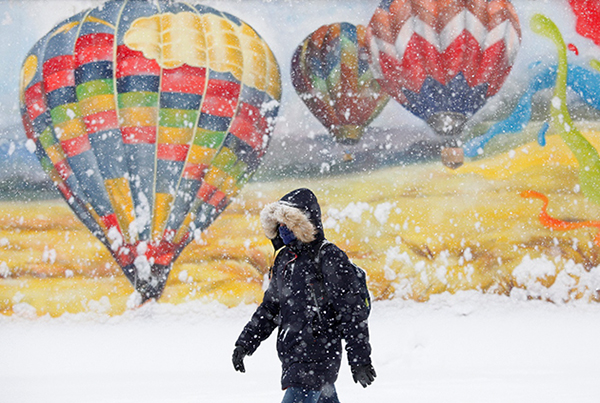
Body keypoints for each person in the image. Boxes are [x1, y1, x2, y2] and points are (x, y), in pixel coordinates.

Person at [232, 188, 376, 403]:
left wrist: (360, 360)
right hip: (292, 354)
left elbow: (351, 312)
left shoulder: (328, 256)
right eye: (279, 224)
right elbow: (270, 308)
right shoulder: (284, 259)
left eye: (287, 223)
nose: (282, 229)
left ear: (303, 224)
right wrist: (245, 343)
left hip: (319, 355)